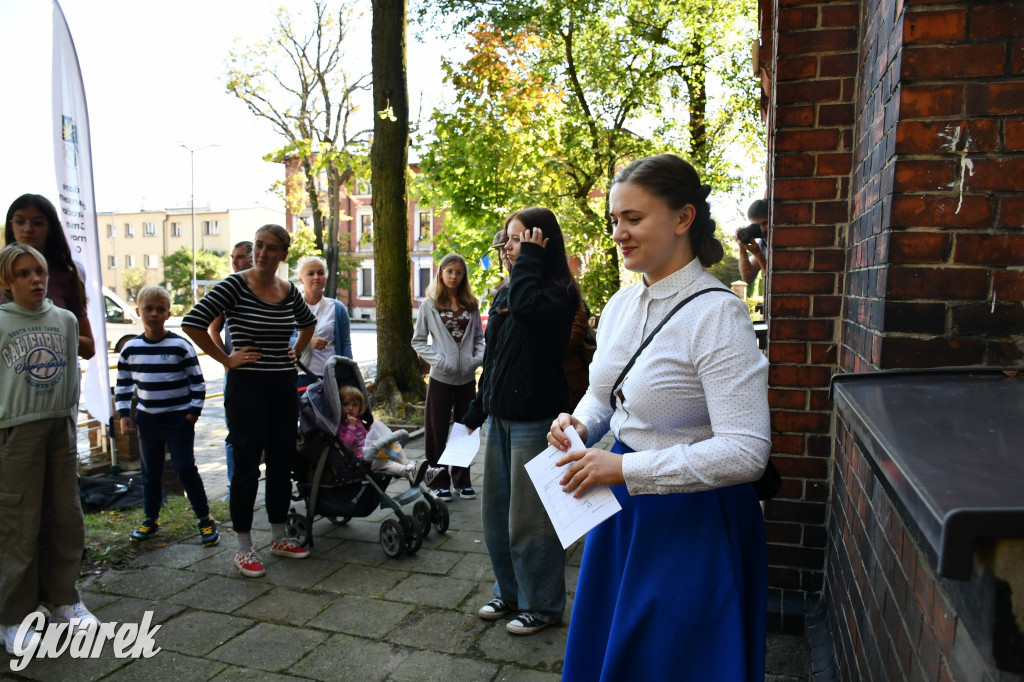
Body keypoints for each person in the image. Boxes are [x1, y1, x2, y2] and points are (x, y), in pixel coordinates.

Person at [548, 154, 772, 680]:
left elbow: (747, 451)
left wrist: (625, 471)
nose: (619, 233)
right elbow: (609, 397)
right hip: (620, 513)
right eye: (614, 220)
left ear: (682, 218)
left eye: (633, 218)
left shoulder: (718, 314)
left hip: (694, 524)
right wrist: (580, 424)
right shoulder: (624, 304)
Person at [462, 207, 578, 636]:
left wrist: (528, 260)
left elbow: (528, 308)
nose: (509, 248)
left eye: (519, 239)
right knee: (496, 516)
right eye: (508, 240)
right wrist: (477, 410)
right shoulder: (506, 290)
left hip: (536, 422)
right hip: (499, 418)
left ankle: (542, 606)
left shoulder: (556, 292)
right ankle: (509, 593)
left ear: (541, 243)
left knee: (531, 521)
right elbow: (494, 360)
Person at [182, 224, 317, 578]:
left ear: (284, 254)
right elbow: (192, 322)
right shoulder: (234, 284)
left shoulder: (288, 291)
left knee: (281, 461)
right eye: (258, 245)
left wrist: (297, 350)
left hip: (283, 387)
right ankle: (243, 548)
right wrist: (226, 359)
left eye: (272, 248)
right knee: (244, 465)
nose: (262, 253)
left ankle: (277, 537)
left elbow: (308, 323)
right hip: (246, 389)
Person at [0, 243, 99, 656]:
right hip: (15, 429)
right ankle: (13, 617)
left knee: (64, 515)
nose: (35, 280)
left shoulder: (63, 320)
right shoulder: (2, 323)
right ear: (6, 282)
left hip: (60, 425)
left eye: (38, 271)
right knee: (19, 523)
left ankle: (64, 599)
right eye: (23, 274)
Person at [114, 286, 218, 547]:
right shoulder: (131, 349)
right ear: (138, 311)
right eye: (148, 309)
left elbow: (197, 382)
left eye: (160, 309)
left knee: (185, 468)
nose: (154, 314)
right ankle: (151, 518)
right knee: (150, 472)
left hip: (178, 420)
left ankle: (205, 519)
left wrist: (192, 414)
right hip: (148, 420)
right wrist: (124, 415)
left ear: (168, 313)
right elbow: (124, 385)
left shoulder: (180, 345)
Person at [411, 253, 485, 500]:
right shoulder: (429, 305)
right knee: (437, 430)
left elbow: (479, 340)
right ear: (441, 273)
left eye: (459, 272)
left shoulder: (471, 304)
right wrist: (439, 361)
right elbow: (418, 341)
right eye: (449, 271)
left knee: (466, 430)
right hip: (440, 379)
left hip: (466, 380)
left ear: (464, 276)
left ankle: (462, 480)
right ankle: (438, 480)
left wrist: (476, 360)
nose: (454, 276)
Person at [4, 194, 95, 359]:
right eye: (19, 221)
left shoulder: (70, 273)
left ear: (51, 228)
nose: (27, 229)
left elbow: (89, 349)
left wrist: (54, 331)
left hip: (58, 377)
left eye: (37, 223)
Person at [207, 240, 253, 502]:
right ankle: (233, 486)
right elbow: (211, 328)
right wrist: (225, 359)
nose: (234, 262)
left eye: (239, 257)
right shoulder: (227, 289)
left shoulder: (267, 288)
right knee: (234, 433)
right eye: (232, 258)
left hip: (266, 374)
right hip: (235, 375)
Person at [337, 385, 447, 486]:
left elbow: (365, 439)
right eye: (346, 404)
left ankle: (425, 473)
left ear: (360, 407)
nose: (350, 408)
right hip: (359, 461)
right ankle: (407, 472)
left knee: (396, 454)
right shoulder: (341, 425)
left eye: (354, 405)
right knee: (385, 462)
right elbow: (346, 443)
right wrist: (350, 427)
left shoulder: (359, 422)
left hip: (369, 454)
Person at [295, 255, 353, 390]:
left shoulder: (337, 308)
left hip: (330, 377)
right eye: (310, 273)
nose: (316, 277)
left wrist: (347, 377)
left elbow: (345, 344)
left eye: (320, 273)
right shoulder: (292, 307)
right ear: (301, 279)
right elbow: (282, 340)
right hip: (300, 375)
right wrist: (308, 343)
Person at [737, 198, 770, 285]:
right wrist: (742, 247)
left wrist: (758, 254)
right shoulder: (763, 244)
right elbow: (747, 278)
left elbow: (774, 278)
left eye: (765, 223)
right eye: (757, 226)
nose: (762, 230)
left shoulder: (785, 238)